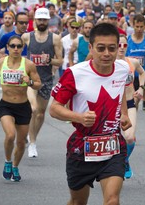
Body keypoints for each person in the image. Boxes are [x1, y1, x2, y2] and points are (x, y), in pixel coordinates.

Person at [49, 23, 132, 205]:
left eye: (112, 48)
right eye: (101, 48)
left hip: (112, 145)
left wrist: (124, 114)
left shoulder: (123, 68)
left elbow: (121, 90)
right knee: (78, 201)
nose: (106, 54)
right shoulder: (75, 73)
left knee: (112, 200)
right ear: (91, 48)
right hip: (82, 146)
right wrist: (79, 117)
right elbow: (54, 109)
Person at [0, 35, 41, 182]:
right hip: (6, 105)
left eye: (19, 46)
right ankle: (7, 161)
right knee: (10, 135)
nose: (16, 49)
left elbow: (38, 84)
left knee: (21, 141)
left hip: (23, 107)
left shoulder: (28, 64)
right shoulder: (0, 62)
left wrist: (29, 81)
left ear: (22, 48)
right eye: (13, 46)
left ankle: (16, 166)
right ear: (8, 48)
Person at [22, 8, 63, 158]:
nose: (41, 22)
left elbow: (60, 60)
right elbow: (15, 51)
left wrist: (50, 60)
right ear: (35, 21)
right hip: (30, 78)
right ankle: (32, 143)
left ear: (48, 21)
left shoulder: (55, 39)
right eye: (39, 19)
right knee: (33, 109)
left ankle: (33, 138)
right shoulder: (27, 37)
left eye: (44, 20)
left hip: (46, 79)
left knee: (40, 114)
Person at [117, 34, 145, 179]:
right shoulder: (108, 63)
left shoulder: (132, 62)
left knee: (129, 137)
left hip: (129, 104)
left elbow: (142, 73)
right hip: (113, 106)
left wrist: (141, 88)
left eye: (124, 45)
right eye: (119, 45)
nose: (122, 48)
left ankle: (125, 160)